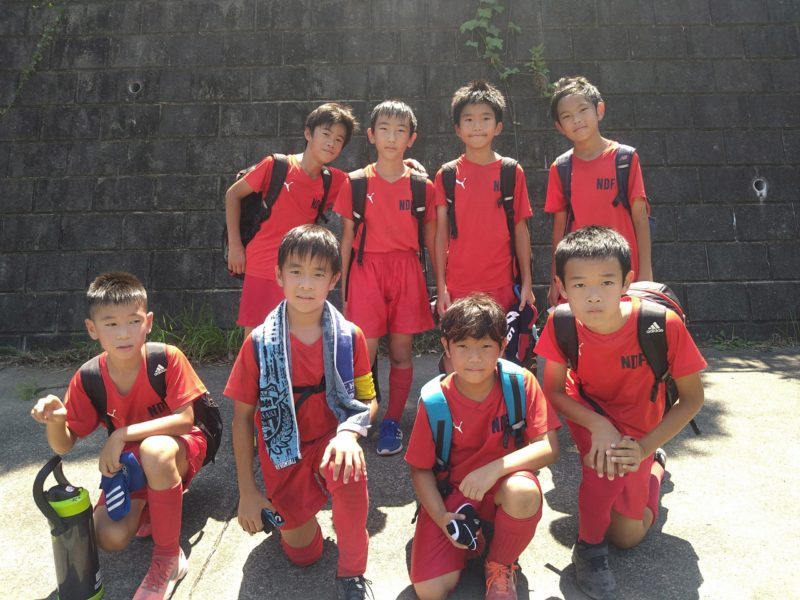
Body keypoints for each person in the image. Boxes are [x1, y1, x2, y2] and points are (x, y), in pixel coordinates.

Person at [535, 226, 706, 599]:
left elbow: (692, 399)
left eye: (607, 282)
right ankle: (589, 549)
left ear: (627, 281)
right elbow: (554, 390)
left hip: (642, 426)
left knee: (627, 536)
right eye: (579, 284)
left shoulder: (660, 325)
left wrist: (645, 448)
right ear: (561, 287)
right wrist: (598, 424)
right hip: (588, 410)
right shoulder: (561, 323)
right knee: (607, 460)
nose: (593, 295)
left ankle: (653, 467)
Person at [31, 272, 210, 599]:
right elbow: (64, 444)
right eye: (111, 324)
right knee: (108, 537)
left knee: (155, 451)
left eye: (133, 321)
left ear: (148, 322)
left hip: (179, 447)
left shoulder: (166, 358)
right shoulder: (88, 377)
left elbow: (186, 420)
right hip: (131, 463)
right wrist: (57, 421)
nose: (124, 333)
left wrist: (121, 434)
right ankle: (154, 505)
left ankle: (168, 559)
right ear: (92, 329)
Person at [225, 225, 376, 600]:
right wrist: (247, 492)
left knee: (350, 471)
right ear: (279, 275)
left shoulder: (350, 337)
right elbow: (241, 419)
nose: (306, 284)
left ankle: (353, 574)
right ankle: (293, 516)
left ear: (334, 280)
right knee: (304, 554)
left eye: (318, 273)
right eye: (296, 271)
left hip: (330, 442)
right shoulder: (258, 343)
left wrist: (348, 434)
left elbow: (367, 400)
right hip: (283, 456)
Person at [406, 294, 560, 600]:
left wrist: (493, 470)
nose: (474, 358)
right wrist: (441, 517)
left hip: (502, 486)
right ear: (446, 346)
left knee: (524, 491)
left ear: (502, 346)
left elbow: (548, 448)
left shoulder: (520, 383)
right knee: (430, 591)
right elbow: (420, 470)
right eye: (462, 346)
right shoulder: (435, 400)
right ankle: (477, 538)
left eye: (485, 347)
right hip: (453, 496)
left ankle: (500, 563)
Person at [334, 99, 436, 456]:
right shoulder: (356, 183)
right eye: (385, 129)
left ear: (412, 138)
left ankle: (392, 420)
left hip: (407, 270)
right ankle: (361, 415)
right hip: (366, 270)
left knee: (401, 351)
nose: (392, 137)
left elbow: (433, 241)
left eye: (400, 130)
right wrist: (344, 288)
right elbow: (346, 239)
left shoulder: (423, 186)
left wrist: (442, 285)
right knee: (363, 351)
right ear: (371, 135)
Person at [224, 103, 357, 337]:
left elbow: (368, 180)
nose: (331, 143)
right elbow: (232, 194)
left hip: (299, 271)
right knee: (255, 337)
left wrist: (401, 164)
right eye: (326, 134)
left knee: (294, 336)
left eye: (338, 140)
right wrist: (235, 245)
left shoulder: (334, 181)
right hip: (261, 264)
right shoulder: (277, 165)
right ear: (308, 133)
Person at [545, 76, 653, 307]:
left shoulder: (625, 159)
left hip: (623, 275)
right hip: (579, 277)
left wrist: (646, 273)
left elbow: (640, 219)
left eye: (583, 110)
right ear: (559, 127)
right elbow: (559, 231)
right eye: (567, 116)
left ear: (599, 110)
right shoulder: (560, 168)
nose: (576, 120)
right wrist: (555, 279)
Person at [433, 80, 535, 319]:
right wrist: (441, 286)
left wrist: (527, 282)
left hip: (503, 284)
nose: (477, 126)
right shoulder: (447, 175)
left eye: (485, 118)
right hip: (458, 286)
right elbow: (440, 235)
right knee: (460, 342)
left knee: (500, 341)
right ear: (457, 129)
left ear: (498, 127)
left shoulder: (511, 171)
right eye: (468, 119)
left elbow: (521, 230)